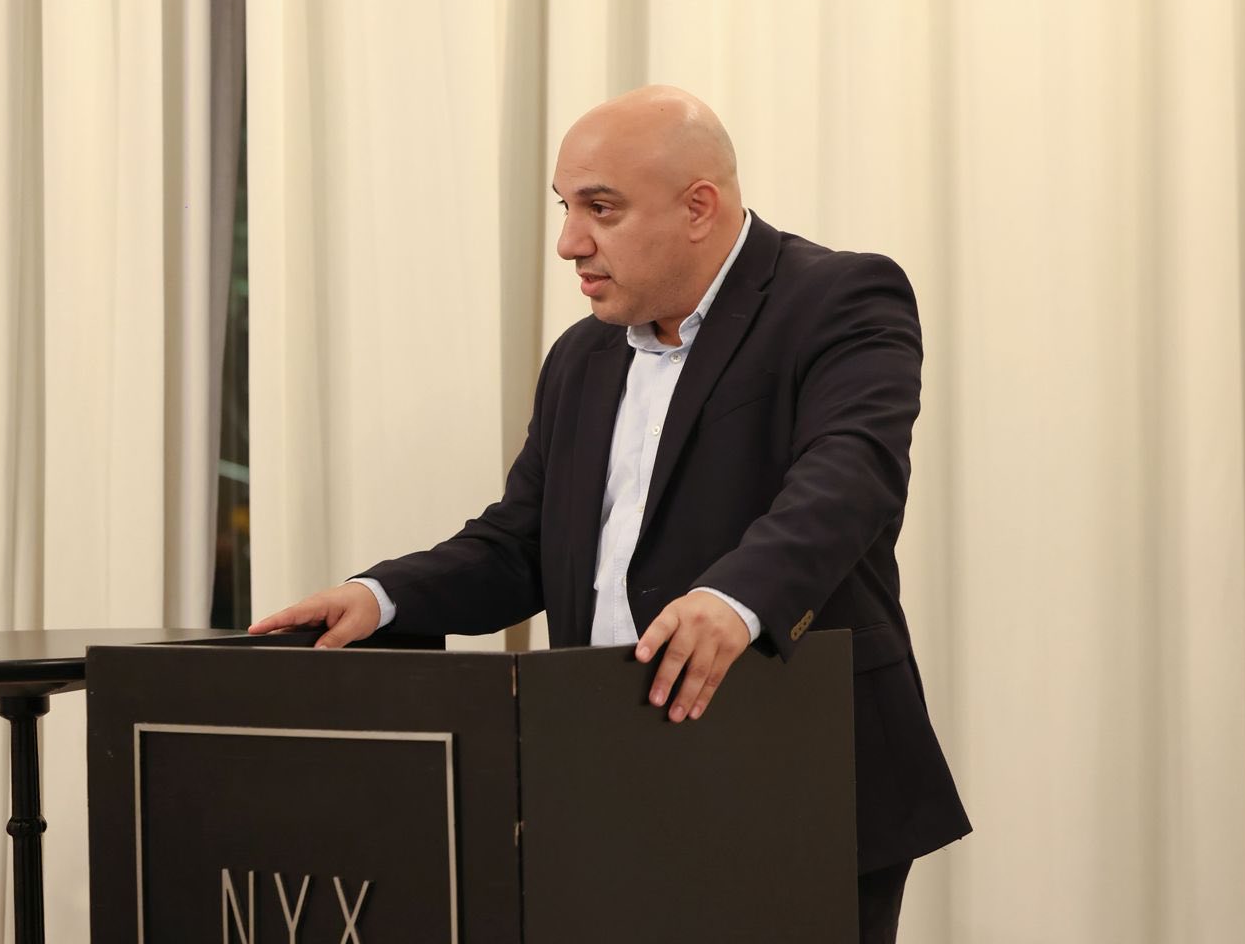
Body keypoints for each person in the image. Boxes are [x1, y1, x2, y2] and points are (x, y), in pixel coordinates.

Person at [250, 84, 970, 943]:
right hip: (607, 782)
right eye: (566, 207)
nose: (569, 242)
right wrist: (380, 597)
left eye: (601, 208)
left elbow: (849, 476)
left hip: (797, 775)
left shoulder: (840, 298)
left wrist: (735, 598)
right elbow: (520, 543)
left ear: (698, 207)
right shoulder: (580, 357)